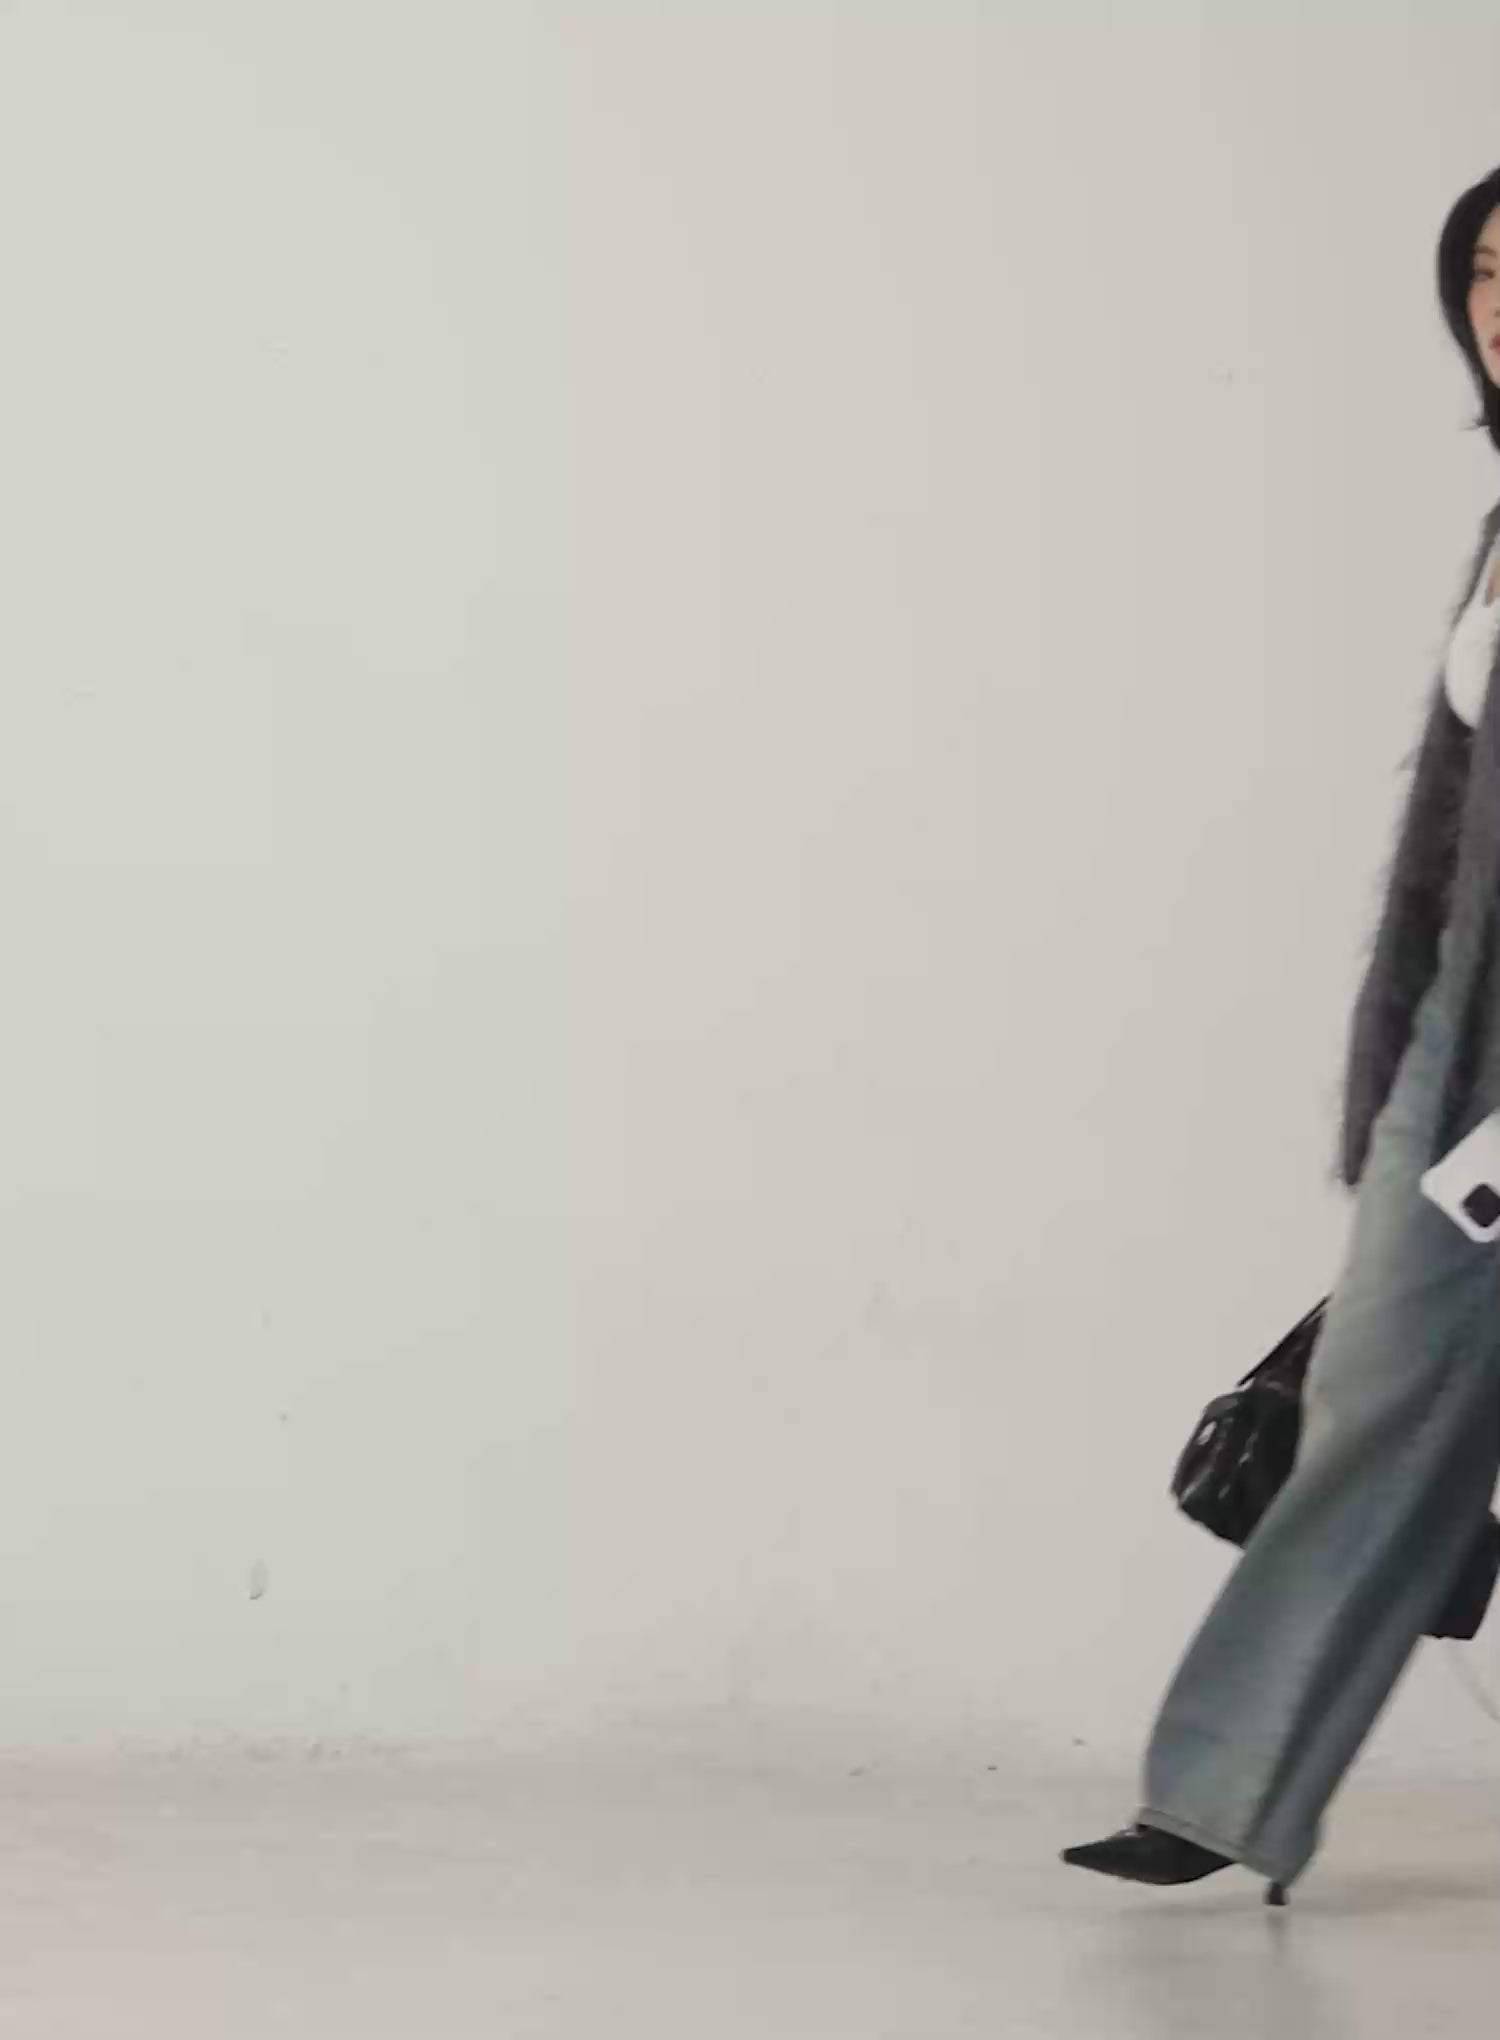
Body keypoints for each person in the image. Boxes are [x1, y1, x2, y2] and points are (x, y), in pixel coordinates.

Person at [1062, 163, 1500, 1906]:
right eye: (1483, 272)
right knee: (1376, 1384)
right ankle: (1225, 1793)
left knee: (1402, 1388)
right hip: (1464, 1029)